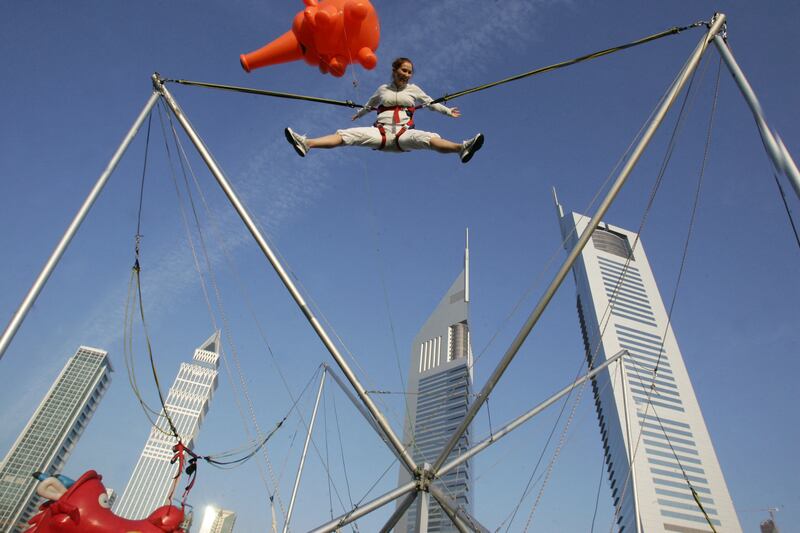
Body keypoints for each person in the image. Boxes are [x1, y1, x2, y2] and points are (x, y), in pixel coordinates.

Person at [285, 57, 484, 163]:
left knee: (427, 138)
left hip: (402, 135)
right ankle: (307, 144)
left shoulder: (414, 90)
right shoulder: (382, 90)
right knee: (346, 135)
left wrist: (448, 112)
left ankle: (461, 148)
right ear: (395, 71)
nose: (406, 74)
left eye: (409, 72)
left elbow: (430, 103)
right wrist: (359, 114)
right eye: (403, 70)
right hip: (380, 133)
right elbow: (369, 105)